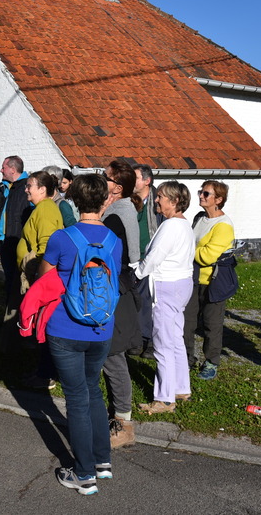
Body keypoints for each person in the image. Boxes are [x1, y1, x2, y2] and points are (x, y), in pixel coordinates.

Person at [35, 173, 122, 495]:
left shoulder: (62, 237)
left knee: (77, 399)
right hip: (101, 328)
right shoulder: (115, 240)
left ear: (74, 200)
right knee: (93, 391)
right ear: (104, 201)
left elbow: (45, 277)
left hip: (66, 326)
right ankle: (102, 461)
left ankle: (84, 474)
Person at [135, 181, 195, 415]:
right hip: (181, 284)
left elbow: (155, 256)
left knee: (162, 343)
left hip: (167, 286)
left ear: (175, 201)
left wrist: (137, 273)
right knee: (175, 338)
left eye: (160, 197)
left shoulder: (170, 226)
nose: (157, 200)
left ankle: (164, 398)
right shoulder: (183, 225)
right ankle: (181, 388)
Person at [99, 160, 142, 447]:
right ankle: (116, 415)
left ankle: (124, 425)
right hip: (119, 286)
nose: (102, 180)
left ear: (117, 187)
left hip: (115, 289)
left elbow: (112, 258)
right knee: (110, 357)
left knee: (113, 358)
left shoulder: (116, 215)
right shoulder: (120, 210)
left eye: (106, 177)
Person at [185, 180, 235, 381]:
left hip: (214, 281)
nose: (200, 196)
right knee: (187, 322)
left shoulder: (224, 225)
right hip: (193, 278)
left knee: (211, 324)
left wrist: (186, 251)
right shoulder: (199, 218)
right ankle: (187, 358)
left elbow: (207, 256)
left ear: (218, 199)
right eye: (200, 192)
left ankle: (211, 361)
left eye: (206, 194)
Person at [0, 156, 30, 320]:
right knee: (9, 279)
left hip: (19, 241)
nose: (1, 170)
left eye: (3, 167)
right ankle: (10, 314)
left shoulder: (27, 187)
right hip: (5, 240)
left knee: (20, 280)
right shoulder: (2, 188)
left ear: (12, 169)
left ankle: (20, 316)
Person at [130, 164, 161, 358]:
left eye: (136, 178)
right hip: (134, 256)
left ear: (147, 181)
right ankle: (138, 338)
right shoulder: (130, 201)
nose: (132, 182)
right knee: (137, 300)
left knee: (153, 301)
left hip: (153, 257)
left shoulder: (158, 201)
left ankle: (151, 341)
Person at [16, 171, 64, 285]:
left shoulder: (45, 209)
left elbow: (46, 244)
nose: (26, 190)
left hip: (37, 276)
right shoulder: (41, 207)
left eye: (29, 186)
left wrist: (38, 274)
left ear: (42, 189)